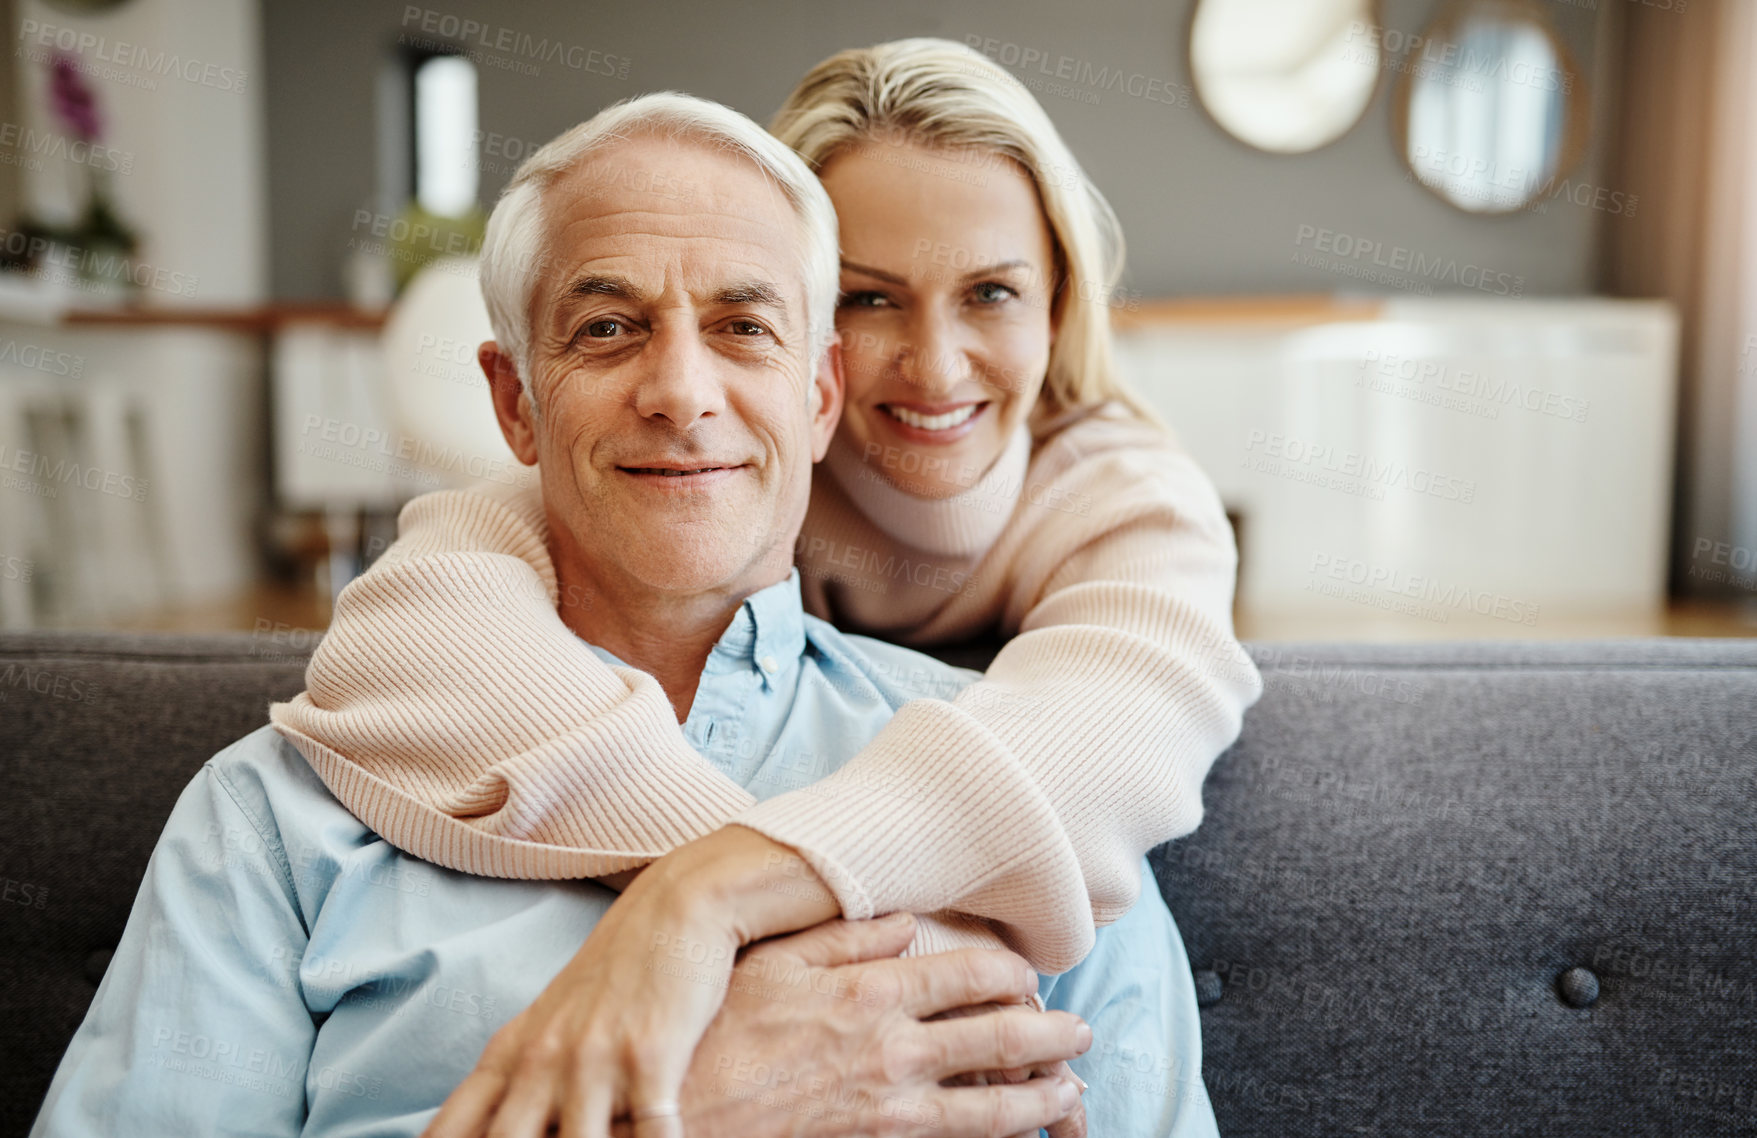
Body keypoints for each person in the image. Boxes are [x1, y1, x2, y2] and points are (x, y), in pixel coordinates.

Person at [31, 93, 1216, 1138]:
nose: (678, 392)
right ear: (516, 404)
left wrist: (708, 906)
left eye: (745, 326)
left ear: (817, 396)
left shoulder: (1022, 806)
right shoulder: (278, 823)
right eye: (606, 328)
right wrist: (686, 1112)